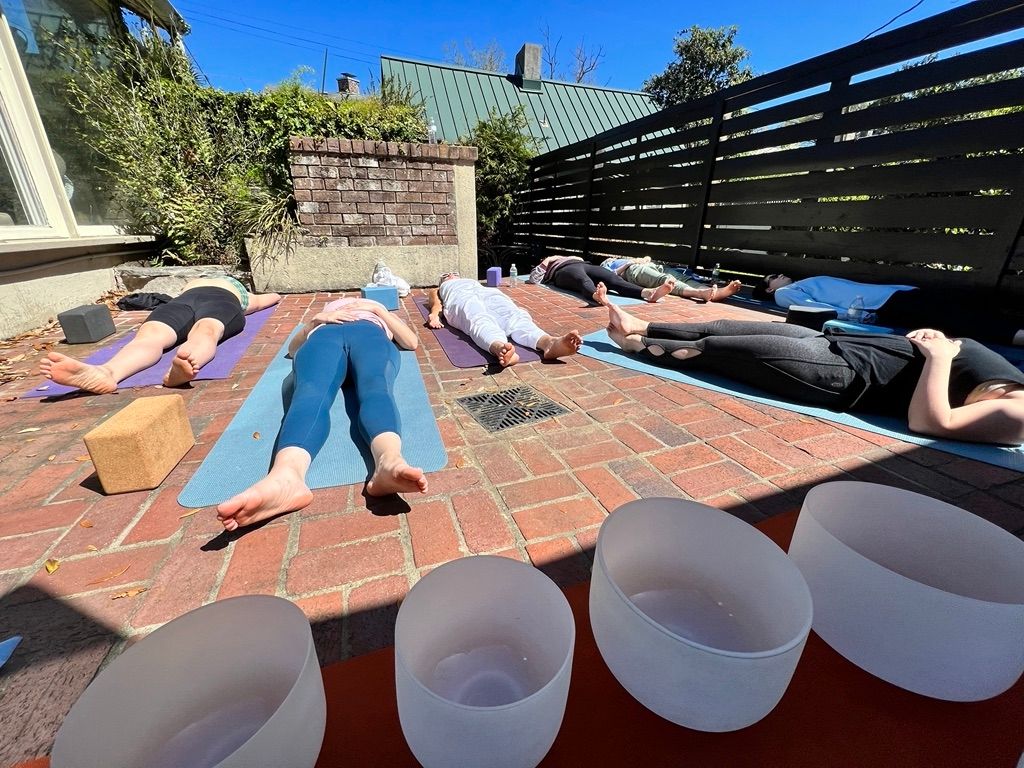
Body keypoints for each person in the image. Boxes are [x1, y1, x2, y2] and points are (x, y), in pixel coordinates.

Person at [604, 302, 1024, 446]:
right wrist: (938, 338)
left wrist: (939, 356)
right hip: (840, 344)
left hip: (845, 374)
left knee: (720, 350)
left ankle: (639, 349)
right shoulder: (1012, 378)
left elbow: (932, 422)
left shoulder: (1020, 413)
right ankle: (638, 327)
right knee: (721, 327)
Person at [216, 297, 428, 530]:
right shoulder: (323, 318)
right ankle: (286, 477)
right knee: (309, 393)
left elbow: (411, 342)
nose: (351, 301)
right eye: (344, 300)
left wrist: (378, 310)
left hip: (370, 335)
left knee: (376, 386)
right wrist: (315, 321)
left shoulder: (377, 312)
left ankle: (389, 462)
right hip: (325, 337)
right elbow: (292, 350)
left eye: (358, 298)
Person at [39, 276, 281, 393]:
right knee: (204, 331)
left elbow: (268, 299)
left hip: (185, 301)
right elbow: (271, 298)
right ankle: (107, 373)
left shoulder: (198, 283)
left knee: (157, 335)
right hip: (215, 301)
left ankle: (110, 371)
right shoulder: (238, 289)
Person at [752, 273, 1024, 346]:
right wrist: (852, 316)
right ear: (768, 289)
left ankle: (1013, 330)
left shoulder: (800, 283)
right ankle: (1015, 335)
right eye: (773, 276)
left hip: (894, 293)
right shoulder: (786, 293)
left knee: (961, 307)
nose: (780, 275)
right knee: (955, 316)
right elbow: (812, 308)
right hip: (882, 303)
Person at [426, 272, 582, 367]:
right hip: (461, 297)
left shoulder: (472, 281)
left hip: (485, 292)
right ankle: (499, 347)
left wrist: (517, 308)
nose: (451, 275)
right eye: (446, 275)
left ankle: (548, 343)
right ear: (443, 281)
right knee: (476, 316)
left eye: (454, 273)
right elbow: (436, 301)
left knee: (513, 314)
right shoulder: (441, 288)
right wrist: (434, 314)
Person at [528, 254, 676, 305]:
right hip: (563, 272)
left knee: (613, 279)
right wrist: (548, 260)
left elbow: (580, 260)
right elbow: (534, 279)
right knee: (582, 280)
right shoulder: (550, 263)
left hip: (585, 264)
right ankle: (596, 296)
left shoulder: (570, 257)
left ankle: (647, 293)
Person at [600, 256, 743, 302]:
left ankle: (709, 291)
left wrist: (644, 258)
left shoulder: (622, 258)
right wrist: (629, 263)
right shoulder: (606, 265)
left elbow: (646, 258)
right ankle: (698, 293)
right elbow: (612, 276)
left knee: (681, 276)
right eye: (610, 258)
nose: (612, 258)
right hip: (633, 271)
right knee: (665, 279)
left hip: (650, 265)